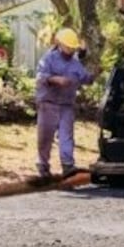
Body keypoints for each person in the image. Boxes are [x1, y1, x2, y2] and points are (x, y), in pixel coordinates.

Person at [35, 28, 95, 179]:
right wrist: (55, 79)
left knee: (66, 135)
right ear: (59, 44)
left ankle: (68, 165)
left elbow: (85, 78)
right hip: (48, 103)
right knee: (45, 136)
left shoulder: (75, 64)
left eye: (72, 48)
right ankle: (43, 166)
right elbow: (40, 76)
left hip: (66, 104)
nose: (70, 50)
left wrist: (94, 75)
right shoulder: (48, 59)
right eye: (68, 47)